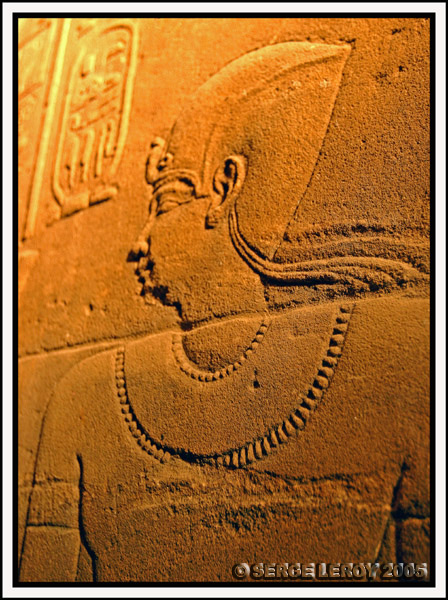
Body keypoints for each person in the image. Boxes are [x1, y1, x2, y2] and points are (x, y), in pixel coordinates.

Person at [20, 42, 430, 582]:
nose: (140, 243)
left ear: (224, 189)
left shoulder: (400, 361)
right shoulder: (83, 397)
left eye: (163, 205)